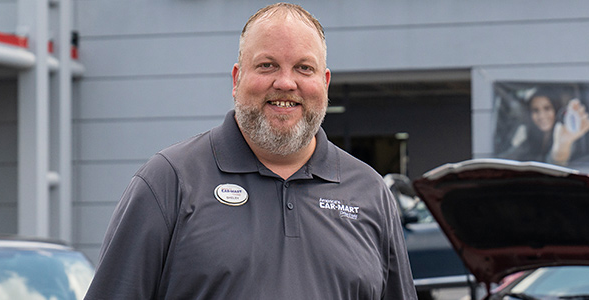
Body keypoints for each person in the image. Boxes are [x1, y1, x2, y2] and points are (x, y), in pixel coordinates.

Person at [84, 3, 417, 299]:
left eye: (304, 68)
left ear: (325, 83)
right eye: (267, 65)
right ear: (236, 78)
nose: (286, 83)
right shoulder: (168, 182)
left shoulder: (370, 193)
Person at [497, 87, 589, 165]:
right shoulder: (528, 141)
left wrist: (563, 144)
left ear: (555, 109)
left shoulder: (567, 135)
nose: (542, 115)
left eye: (547, 108)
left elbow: (557, 161)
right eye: (536, 110)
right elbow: (508, 158)